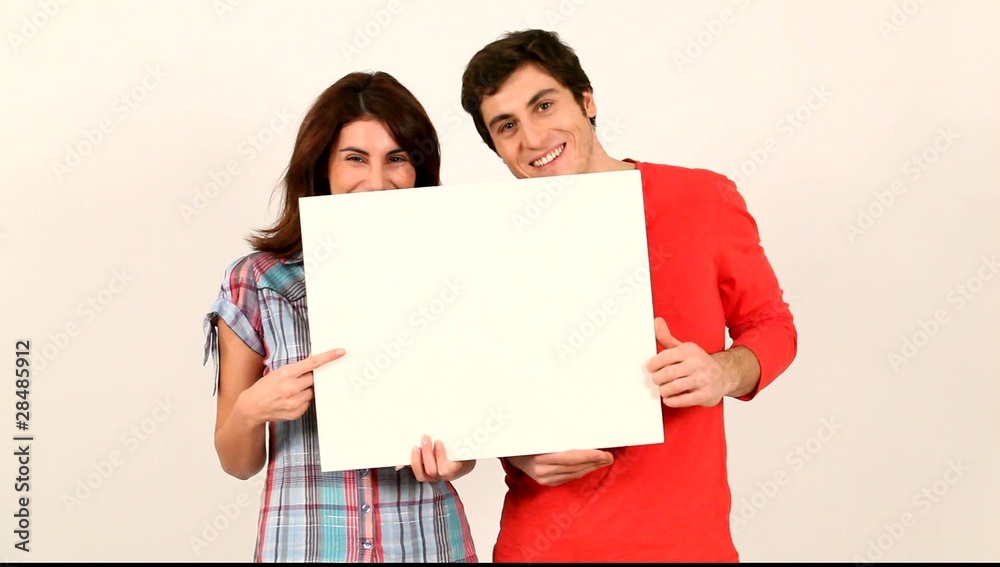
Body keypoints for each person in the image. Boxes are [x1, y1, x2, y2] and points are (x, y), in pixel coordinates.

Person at [459, 29, 798, 562]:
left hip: (685, 545)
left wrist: (721, 372)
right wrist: (512, 448)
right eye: (507, 127)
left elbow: (773, 326)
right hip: (542, 545)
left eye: (544, 105)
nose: (532, 137)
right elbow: (462, 384)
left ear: (587, 101)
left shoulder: (700, 198)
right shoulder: (489, 240)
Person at [202, 71, 478, 563]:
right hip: (306, 545)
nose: (376, 181)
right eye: (355, 158)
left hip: (427, 542)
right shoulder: (255, 282)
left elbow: (468, 435)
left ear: (418, 170)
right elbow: (237, 463)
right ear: (323, 166)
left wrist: (458, 459)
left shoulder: (450, 275)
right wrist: (253, 407)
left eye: (396, 159)